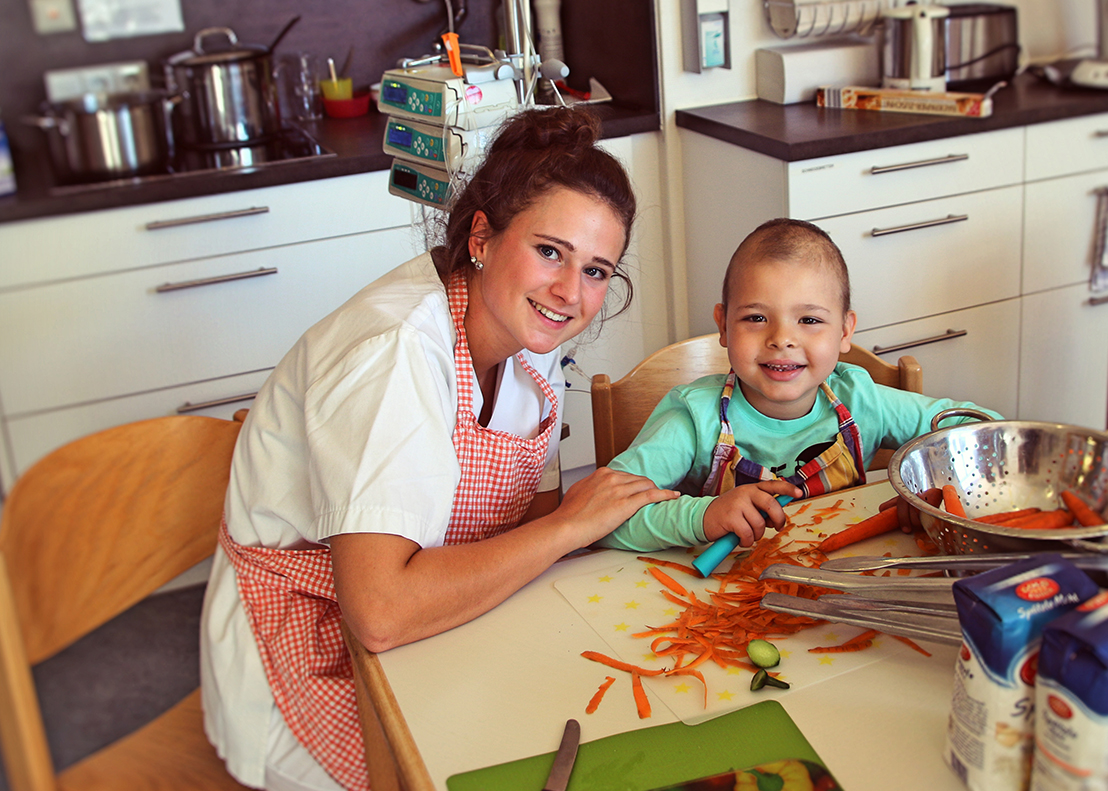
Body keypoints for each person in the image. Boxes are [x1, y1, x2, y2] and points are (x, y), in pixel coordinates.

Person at [200, 106, 680, 791]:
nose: (571, 293)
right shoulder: (394, 352)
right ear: (482, 236)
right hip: (308, 650)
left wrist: (577, 522)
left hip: (435, 612)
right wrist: (570, 525)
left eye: (597, 270)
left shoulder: (531, 330)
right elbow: (381, 612)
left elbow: (523, 513)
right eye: (550, 251)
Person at [597, 217, 1001, 553]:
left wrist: (930, 489)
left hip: (846, 580)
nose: (782, 339)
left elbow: (988, 434)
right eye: (756, 318)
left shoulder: (862, 400)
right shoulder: (694, 417)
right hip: (723, 594)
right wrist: (702, 517)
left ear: (845, 331)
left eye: (809, 320)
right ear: (723, 325)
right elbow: (602, 520)